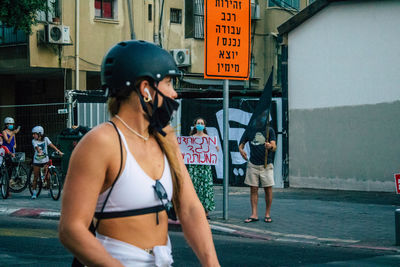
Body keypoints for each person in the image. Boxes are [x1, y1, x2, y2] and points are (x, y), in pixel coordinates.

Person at [58, 40, 220, 267]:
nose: (175, 93)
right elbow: (71, 228)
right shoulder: (101, 142)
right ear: (146, 89)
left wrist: (212, 264)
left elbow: (190, 208)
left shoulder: (166, 138)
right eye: (169, 82)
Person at [239, 122, 276, 223]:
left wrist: (270, 146)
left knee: (268, 188)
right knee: (253, 189)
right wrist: (241, 150)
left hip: (266, 164)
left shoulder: (269, 130)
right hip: (253, 164)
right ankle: (254, 214)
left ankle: (267, 213)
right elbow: (241, 144)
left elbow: (274, 146)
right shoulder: (250, 130)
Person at [187, 117, 218, 220]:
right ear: (195, 125)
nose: (200, 124)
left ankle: (206, 211)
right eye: (198, 123)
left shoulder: (208, 139)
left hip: (205, 167)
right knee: (194, 188)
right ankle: (195, 211)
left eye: (201, 123)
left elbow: (214, 150)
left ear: (204, 126)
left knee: (205, 189)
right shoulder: (191, 138)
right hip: (194, 167)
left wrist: (216, 148)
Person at [31, 125, 63, 199]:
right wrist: (39, 151)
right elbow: (36, 147)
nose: (33, 135)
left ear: (39, 133)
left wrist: (58, 151)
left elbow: (51, 145)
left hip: (45, 160)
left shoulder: (46, 139)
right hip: (37, 161)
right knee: (35, 177)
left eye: (34, 134)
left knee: (48, 177)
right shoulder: (34, 141)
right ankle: (34, 192)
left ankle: (49, 190)